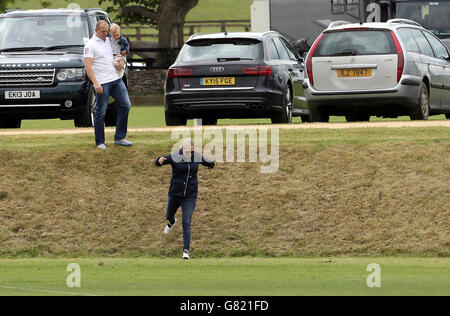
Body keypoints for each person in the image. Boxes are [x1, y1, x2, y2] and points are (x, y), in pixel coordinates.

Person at [154, 139, 215, 260]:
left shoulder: (196, 156)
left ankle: (185, 251)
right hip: (175, 193)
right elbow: (159, 162)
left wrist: (210, 165)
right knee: (168, 215)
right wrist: (158, 161)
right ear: (182, 149)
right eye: (187, 152)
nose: (190, 154)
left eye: (191, 152)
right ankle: (171, 222)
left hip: (190, 195)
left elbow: (209, 162)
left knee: (186, 222)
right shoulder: (174, 156)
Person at [84, 20, 133, 150]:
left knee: (126, 104)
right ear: (96, 30)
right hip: (102, 82)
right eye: (103, 31)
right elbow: (88, 65)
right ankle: (100, 141)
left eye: (107, 31)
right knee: (101, 111)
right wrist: (95, 83)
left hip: (115, 79)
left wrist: (121, 62)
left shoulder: (110, 40)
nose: (106, 34)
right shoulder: (90, 45)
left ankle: (119, 137)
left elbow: (120, 53)